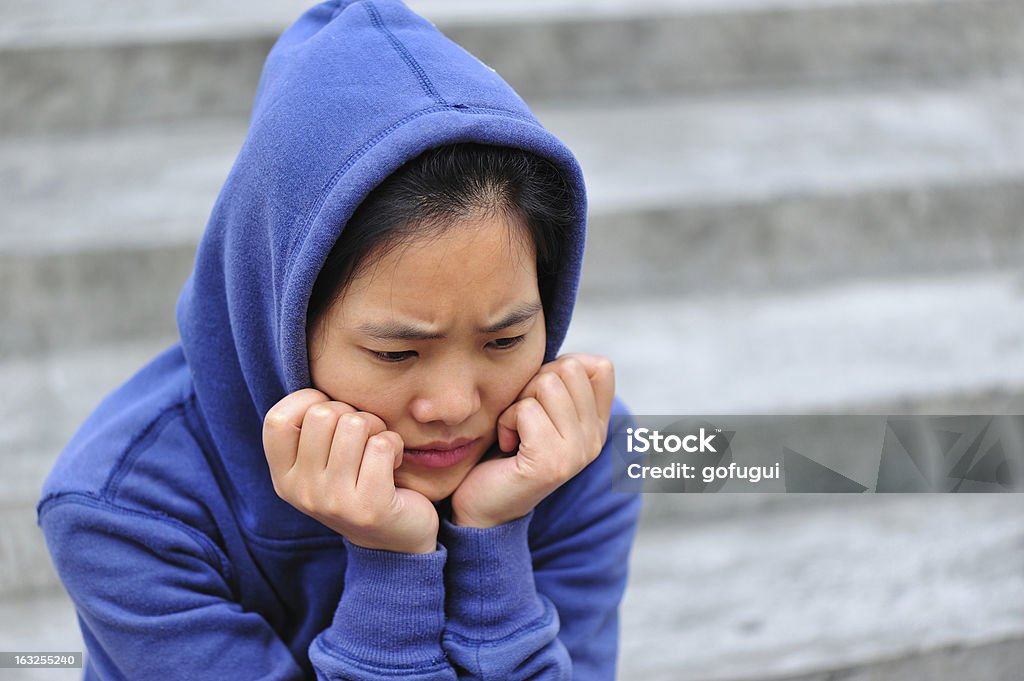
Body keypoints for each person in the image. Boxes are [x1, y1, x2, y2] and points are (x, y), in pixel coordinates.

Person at [37, 1, 642, 679]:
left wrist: (495, 539)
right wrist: (391, 565)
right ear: (280, 314)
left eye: (504, 339)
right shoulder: (128, 511)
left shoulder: (573, 454)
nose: (451, 404)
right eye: (396, 352)